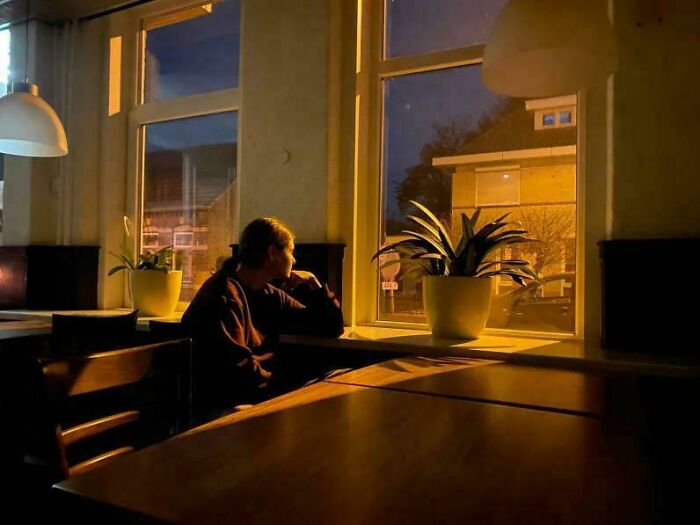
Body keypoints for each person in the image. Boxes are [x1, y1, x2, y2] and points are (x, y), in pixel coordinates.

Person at [181, 217, 344, 417]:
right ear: (272, 252)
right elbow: (237, 372)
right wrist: (285, 387)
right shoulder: (223, 294)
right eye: (290, 252)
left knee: (337, 377)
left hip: (259, 392)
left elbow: (331, 327)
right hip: (231, 406)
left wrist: (314, 283)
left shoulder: (269, 294)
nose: (294, 260)